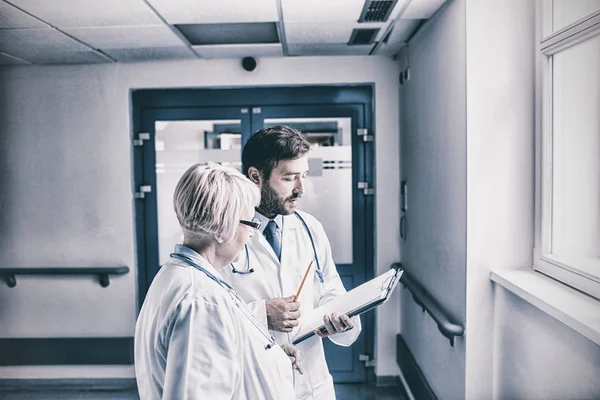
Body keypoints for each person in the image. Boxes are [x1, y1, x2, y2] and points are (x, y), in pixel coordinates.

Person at [134, 163, 302, 400]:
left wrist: (267, 358)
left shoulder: (180, 277)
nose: (252, 233)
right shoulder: (200, 302)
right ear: (222, 229)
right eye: (250, 223)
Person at [220, 126, 362, 399]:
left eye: (304, 176)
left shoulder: (310, 228)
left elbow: (331, 290)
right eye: (289, 178)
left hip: (311, 382)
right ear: (255, 176)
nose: (301, 189)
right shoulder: (224, 233)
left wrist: (343, 320)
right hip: (254, 384)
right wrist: (262, 314)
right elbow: (211, 316)